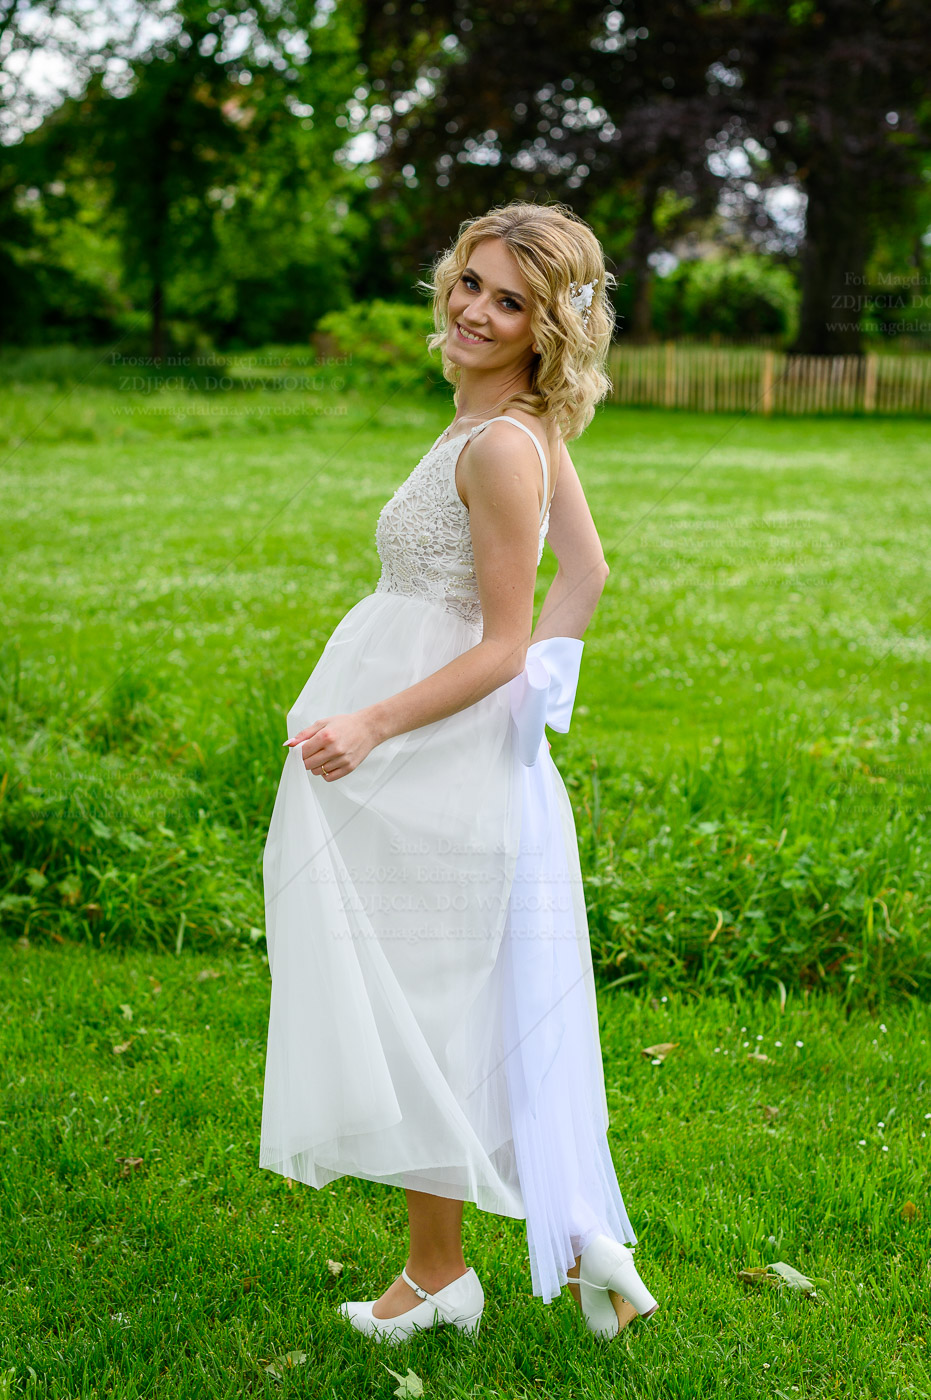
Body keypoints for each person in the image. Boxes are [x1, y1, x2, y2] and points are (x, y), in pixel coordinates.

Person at [259, 200, 660, 1344]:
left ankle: (443, 1276)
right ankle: (565, 1242)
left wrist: (379, 722)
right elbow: (585, 573)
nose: (475, 310)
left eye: (510, 301)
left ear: (549, 328)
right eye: (472, 282)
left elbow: (502, 638)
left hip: (425, 748)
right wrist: (523, 717)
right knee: (446, 998)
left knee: (424, 1002)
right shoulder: (507, 424)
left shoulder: (498, 445)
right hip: (452, 745)